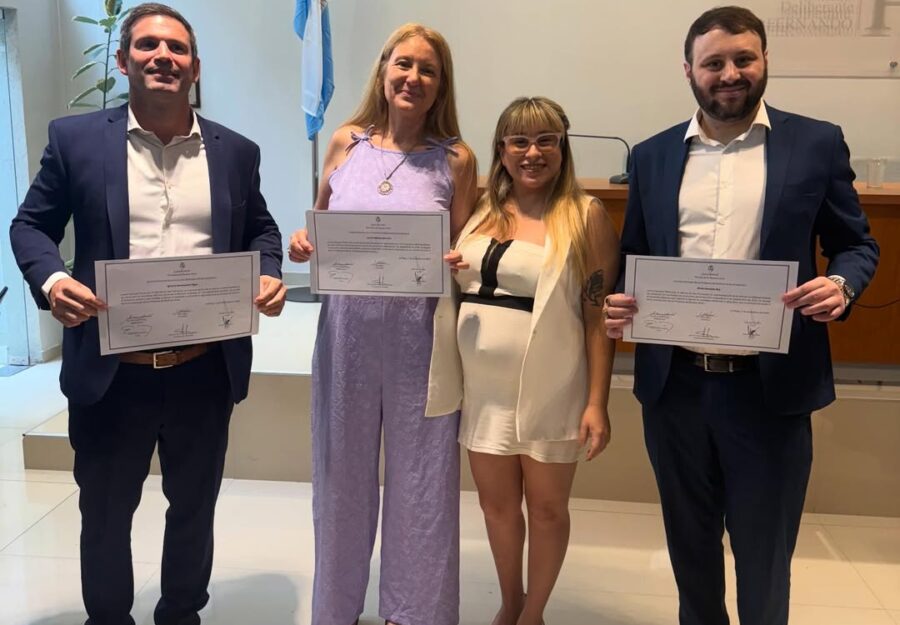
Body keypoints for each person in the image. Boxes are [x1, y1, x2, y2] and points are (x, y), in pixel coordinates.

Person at [9, 4, 285, 625]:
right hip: (113, 373)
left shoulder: (236, 152)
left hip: (204, 369)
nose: (164, 56)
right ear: (123, 59)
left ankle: (181, 614)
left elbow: (261, 227)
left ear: (195, 67)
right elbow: (30, 226)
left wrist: (268, 269)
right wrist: (53, 280)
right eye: (149, 45)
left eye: (178, 48)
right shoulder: (76, 140)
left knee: (194, 508)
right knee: (105, 515)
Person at [603, 7, 879, 625]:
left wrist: (841, 284)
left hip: (768, 390)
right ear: (689, 71)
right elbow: (635, 257)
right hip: (674, 390)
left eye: (743, 59)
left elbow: (857, 244)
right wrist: (620, 301)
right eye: (714, 63)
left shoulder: (815, 143)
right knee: (690, 552)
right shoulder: (651, 156)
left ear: (764, 61)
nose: (730, 74)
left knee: (764, 558)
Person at [288, 23, 477, 625]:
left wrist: (459, 259)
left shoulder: (456, 160)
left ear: (441, 84)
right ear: (384, 70)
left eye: (427, 69)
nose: (413, 77)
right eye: (404, 64)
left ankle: (414, 612)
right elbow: (319, 224)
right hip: (346, 336)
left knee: (423, 480)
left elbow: (468, 251)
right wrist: (303, 242)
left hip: (422, 342)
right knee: (340, 476)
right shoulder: (345, 142)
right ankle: (336, 609)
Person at [427, 96, 619, 625]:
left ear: (562, 148)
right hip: (482, 393)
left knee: (548, 510)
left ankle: (534, 614)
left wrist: (597, 403)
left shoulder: (585, 216)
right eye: (520, 142)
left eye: (545, 141)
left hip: (552, 389)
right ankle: (510, 601)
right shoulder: (480, 210)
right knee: (496, 508)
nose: (533, 153)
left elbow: (597, 318)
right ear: (502, 150)